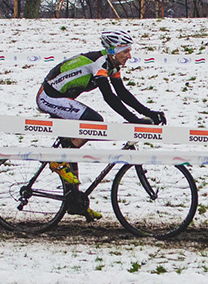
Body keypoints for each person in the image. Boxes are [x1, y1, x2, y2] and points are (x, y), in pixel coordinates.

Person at [36, 29, 168, 221]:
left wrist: (149, 113)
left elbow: (122, 93)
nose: (129, 56)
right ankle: (57, 161)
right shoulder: (99, 63)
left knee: (70, 149)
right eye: (126, 52)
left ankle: (75, 202)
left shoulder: (112, 66)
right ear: (113, 51)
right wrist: (135, 120)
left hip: (63, 97)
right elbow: (109, 97)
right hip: (49, 97)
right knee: (93, 122)